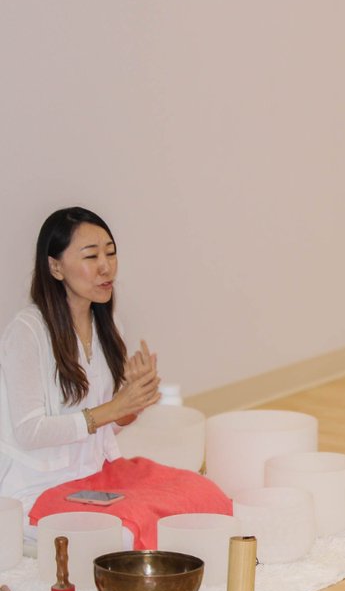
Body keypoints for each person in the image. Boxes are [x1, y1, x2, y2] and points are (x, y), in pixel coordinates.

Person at [0, 207, 229, 547]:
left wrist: (133, 403)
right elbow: (30, 431)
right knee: (124, 532)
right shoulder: (28, 331)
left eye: (110, 252)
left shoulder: (108, 324)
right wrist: (113, 408)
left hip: (99, 474)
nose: (106, 266)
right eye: (91, 256)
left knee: (204, 496)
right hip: (38, 489)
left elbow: (105, 427)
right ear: (55, 267)